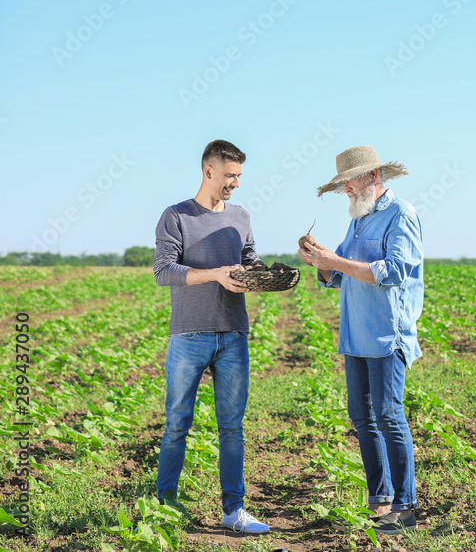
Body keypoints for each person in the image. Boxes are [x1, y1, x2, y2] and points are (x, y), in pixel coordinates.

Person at [298, 145, 423, 535]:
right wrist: (320, 262)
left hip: (388, 335)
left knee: (388, 415)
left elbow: (394, 271)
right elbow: (337, 276)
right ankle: (381, 500)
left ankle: (406, 508)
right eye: (343, 185)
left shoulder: (400, 214)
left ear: (372, 177)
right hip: (355, 336)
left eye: (349, 182)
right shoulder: (358, 220)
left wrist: (334, 262)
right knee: (363, 418)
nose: (346, 190)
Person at [152, 139, 270, 535]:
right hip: (189, 334)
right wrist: (215, 273)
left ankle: (233, 511)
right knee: (176, 423)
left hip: (234, 334)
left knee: (232, 427)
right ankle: (164, 505)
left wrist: (262, 277)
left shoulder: (242, 216)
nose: (235, 183)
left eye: (239, 176)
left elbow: (249, 262)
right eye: (230, 175)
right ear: (209, 171)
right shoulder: (176, 216)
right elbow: (164, 271)